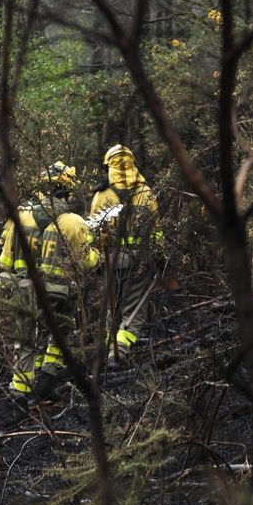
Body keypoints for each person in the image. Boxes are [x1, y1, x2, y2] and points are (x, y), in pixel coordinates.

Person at [1, 163, 72, 397]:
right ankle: (49, 375)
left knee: (25, 340)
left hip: (22, 289)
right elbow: (86, 259)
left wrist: (5, 285)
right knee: (61, 330)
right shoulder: (70, 222)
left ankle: (20, 392)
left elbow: (5, 259)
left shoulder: (19, 217)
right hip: (57, 290)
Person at [90, 144, 160, 367]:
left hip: (111, 263)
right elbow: (156, 230)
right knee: (134, 310)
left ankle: (112, 350)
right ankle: (119, 352)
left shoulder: (101, 196)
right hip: (139, 262)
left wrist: (98, 257)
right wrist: (160, 254)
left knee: (114, 308)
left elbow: (93, 233)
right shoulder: (145, 193)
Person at [33, 194, 100, 400]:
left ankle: (35, 379)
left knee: (43, 332)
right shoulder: (75, 223)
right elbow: (85, 260)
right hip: (62, 288)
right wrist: (98, 255)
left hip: (42, 286)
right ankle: (46, 380)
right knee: (62, 335)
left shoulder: (50, 226)